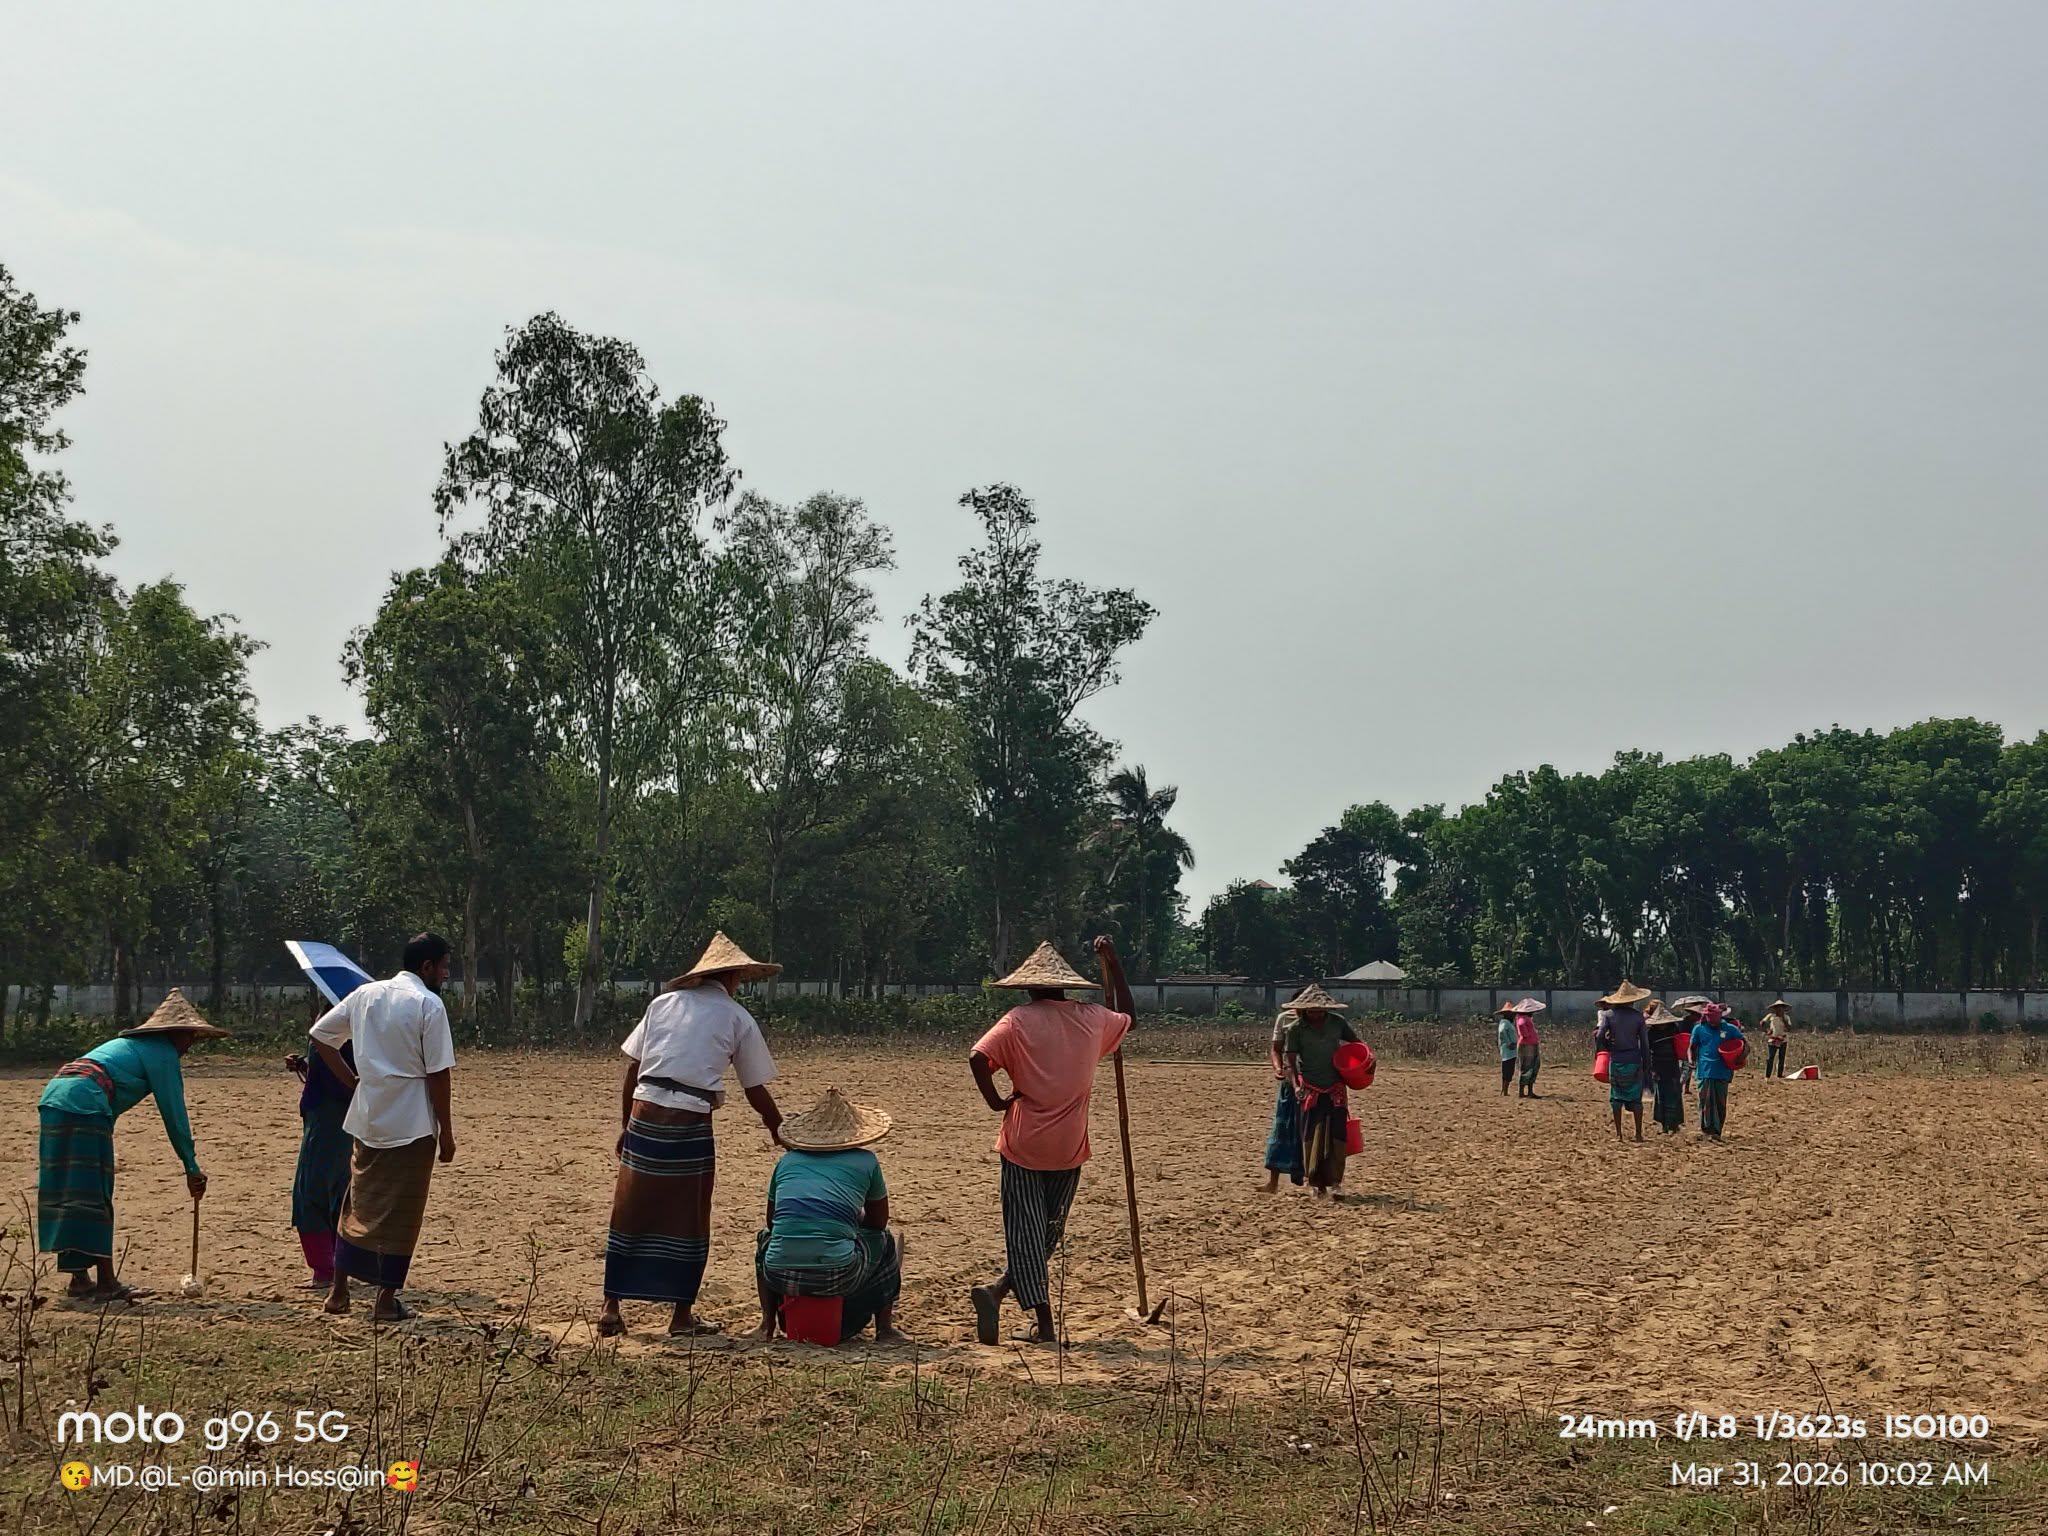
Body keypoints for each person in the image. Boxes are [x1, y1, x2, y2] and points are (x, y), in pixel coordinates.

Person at [599, 932, 785, 1339]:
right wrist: (778, 1128)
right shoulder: (737, 1018)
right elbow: (755, 1088)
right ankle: (681, 1316)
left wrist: (626, 1125)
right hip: (690, 1117)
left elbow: (632, 1070)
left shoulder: (662, 1004)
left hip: (645, 1110)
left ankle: (611, 1306)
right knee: (689, 1216)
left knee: (630, 1208)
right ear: (733, 977)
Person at [968, 937, 1133, 1347]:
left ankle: (1030, 1315)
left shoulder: (1017, 1020)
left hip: (1024, 1142)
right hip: (1069, 1145)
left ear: (1029, 988)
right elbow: (1130, 1017)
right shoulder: (1093, 1018)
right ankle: (1003, 1296)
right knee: (1046, 1233)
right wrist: (1114, 963)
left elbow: (977, 1057)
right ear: (1065, 986)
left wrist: (996, 1102)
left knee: (1027, 1233)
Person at [36, 990, 225, 1301]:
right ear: (174, 1033)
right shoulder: (162, 1054)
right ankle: (106, 1282)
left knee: (71, 1187)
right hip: (86, 1104)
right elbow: (174, 1114)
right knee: (95, 1191)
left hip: (55, 1097)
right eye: (189, 1036)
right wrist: (191, 1166)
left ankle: (79, 1279)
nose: (190, 1045)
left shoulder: (130, 1047)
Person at [309, 933, 458, 1322]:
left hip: (368, 1115)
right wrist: (447, 1132)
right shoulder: (429, 1004)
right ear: (426, 967)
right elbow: (439, 1074)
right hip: (410, 1121)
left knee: (356, 1202)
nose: (446, 974)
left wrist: (352, 1081)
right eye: (443, 966)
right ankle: (385, 1299)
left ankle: (339, 1292)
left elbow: (321, 1036)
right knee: (402, 1212)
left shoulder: (365, 994)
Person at [754, 1089, 904, 1346]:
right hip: (838, 1273)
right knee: (885, 1241)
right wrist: (850, 1220)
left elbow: (773, 1222)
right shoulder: (866, 1161)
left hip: (779, 1273)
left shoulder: (788, 1162)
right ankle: (885, 1328)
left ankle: (766, 1324)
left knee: (765, 1239)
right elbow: (878, 1222)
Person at [285, 995, 356, 1289]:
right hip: (333, 1117)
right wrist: (305, 1065)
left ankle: (325, 1269)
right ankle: (337, 1265)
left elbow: (343, 1074)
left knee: (312, 1191)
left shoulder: (337, 1025)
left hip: (329, 1121)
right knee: (336, 1188)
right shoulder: (344, 1024)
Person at [1281, 984, 1361, 1198]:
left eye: (1319, 1010)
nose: (1315, 1014)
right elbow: (1290, 1060)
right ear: (1304, 1010)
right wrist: (1296, 1085)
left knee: (1337, 1134)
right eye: (1311, 1010)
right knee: (1310, 1133)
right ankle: (1315, 1181)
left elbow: (1356, 1044)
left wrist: (1359, 1064)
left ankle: (1335, 1181)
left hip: (1335, 1085)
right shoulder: (1296, 1029)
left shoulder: (1337, 1023)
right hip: (1310, 1086)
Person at [1594, 981, 1652, 1143]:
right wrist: (1647, 1064)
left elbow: (1599, 1036)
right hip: (1634, 1060)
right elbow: (1645, 1043)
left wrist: (1605, 1049)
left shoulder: (1608, 1015)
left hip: (1616, 1060)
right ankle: (1638, 1134)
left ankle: (1619, 1134)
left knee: (1616, 1098)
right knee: (1636, 1099)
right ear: (1632, 1000)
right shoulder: (1638, 1017)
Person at [1689, 1002, 1746, 1141]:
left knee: (1720, 1102)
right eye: (1708, 1016)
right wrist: (1691, 1060)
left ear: (1720, 1016)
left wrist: (1740, 1057)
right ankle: (1707, 1130)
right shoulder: (1699, 1029)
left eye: (1713, 1016)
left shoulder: (1730, 1029)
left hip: (1722, 1070)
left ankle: (1717, 1130)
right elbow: (1691, 1047)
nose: (1711, 1019)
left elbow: (1745, 1044)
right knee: (1705, 1101)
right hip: (1704, 1070)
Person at [1262, 1007, 1304, 1191]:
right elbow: (1276, 1049)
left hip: (1317, 1082)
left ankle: (1316, 1181)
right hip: (1290, 1082)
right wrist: (1278, 1068)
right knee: (1282, 1130)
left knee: (1313, 1133)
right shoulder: (1286, 1019)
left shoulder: (1327, 1021)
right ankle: (1273, 1182)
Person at [1643, 1000, 1687, 1135]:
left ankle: (1674, 1124)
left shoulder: (1673, 1028)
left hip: (1672, 1064)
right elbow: (1647, 1051)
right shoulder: (1650, 1032)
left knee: (1674, 1093)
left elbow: (1680, 1044)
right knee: (1661, 1095)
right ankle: (1664, 1124)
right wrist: (1651, 1070)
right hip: (1658, 1065)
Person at [1514, 999, 1547, 1098]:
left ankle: (1529, 1091)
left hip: (1531, 1044)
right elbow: (1521, 1025)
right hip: (1527, 1045)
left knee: (1533, 1066)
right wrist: (1526, 1035)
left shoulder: (1525, 1018)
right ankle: (1522, 1092)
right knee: (1527, 1067)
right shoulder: (1522, 1018)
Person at [1494, 1002, 1519, 1096]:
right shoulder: (1505, 1022)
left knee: (1509, 1070)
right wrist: (1509, 1043)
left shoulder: (1508, 1023)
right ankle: (1504, 1090)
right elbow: (1502, 1032)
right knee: (1508, 1070)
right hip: (1508, 1051)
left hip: (1511, 1051)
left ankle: (1505, 1090)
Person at [1763, 1000, 1791, 1078]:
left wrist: (1783, 1019)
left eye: (1781, 1008)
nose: (1780, 1009)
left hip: (1783, 1039)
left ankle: (1779, 1075)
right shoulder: (1771, 1016)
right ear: (1775, 1008)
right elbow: (1762, 1023)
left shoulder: (1786, 1017)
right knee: (1771, 1057)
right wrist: (1767, 1030)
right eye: (1778, 1007)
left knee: (1781, 1058)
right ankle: (1768, 1075)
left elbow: (1789, 1028)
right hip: (1773, 1039)